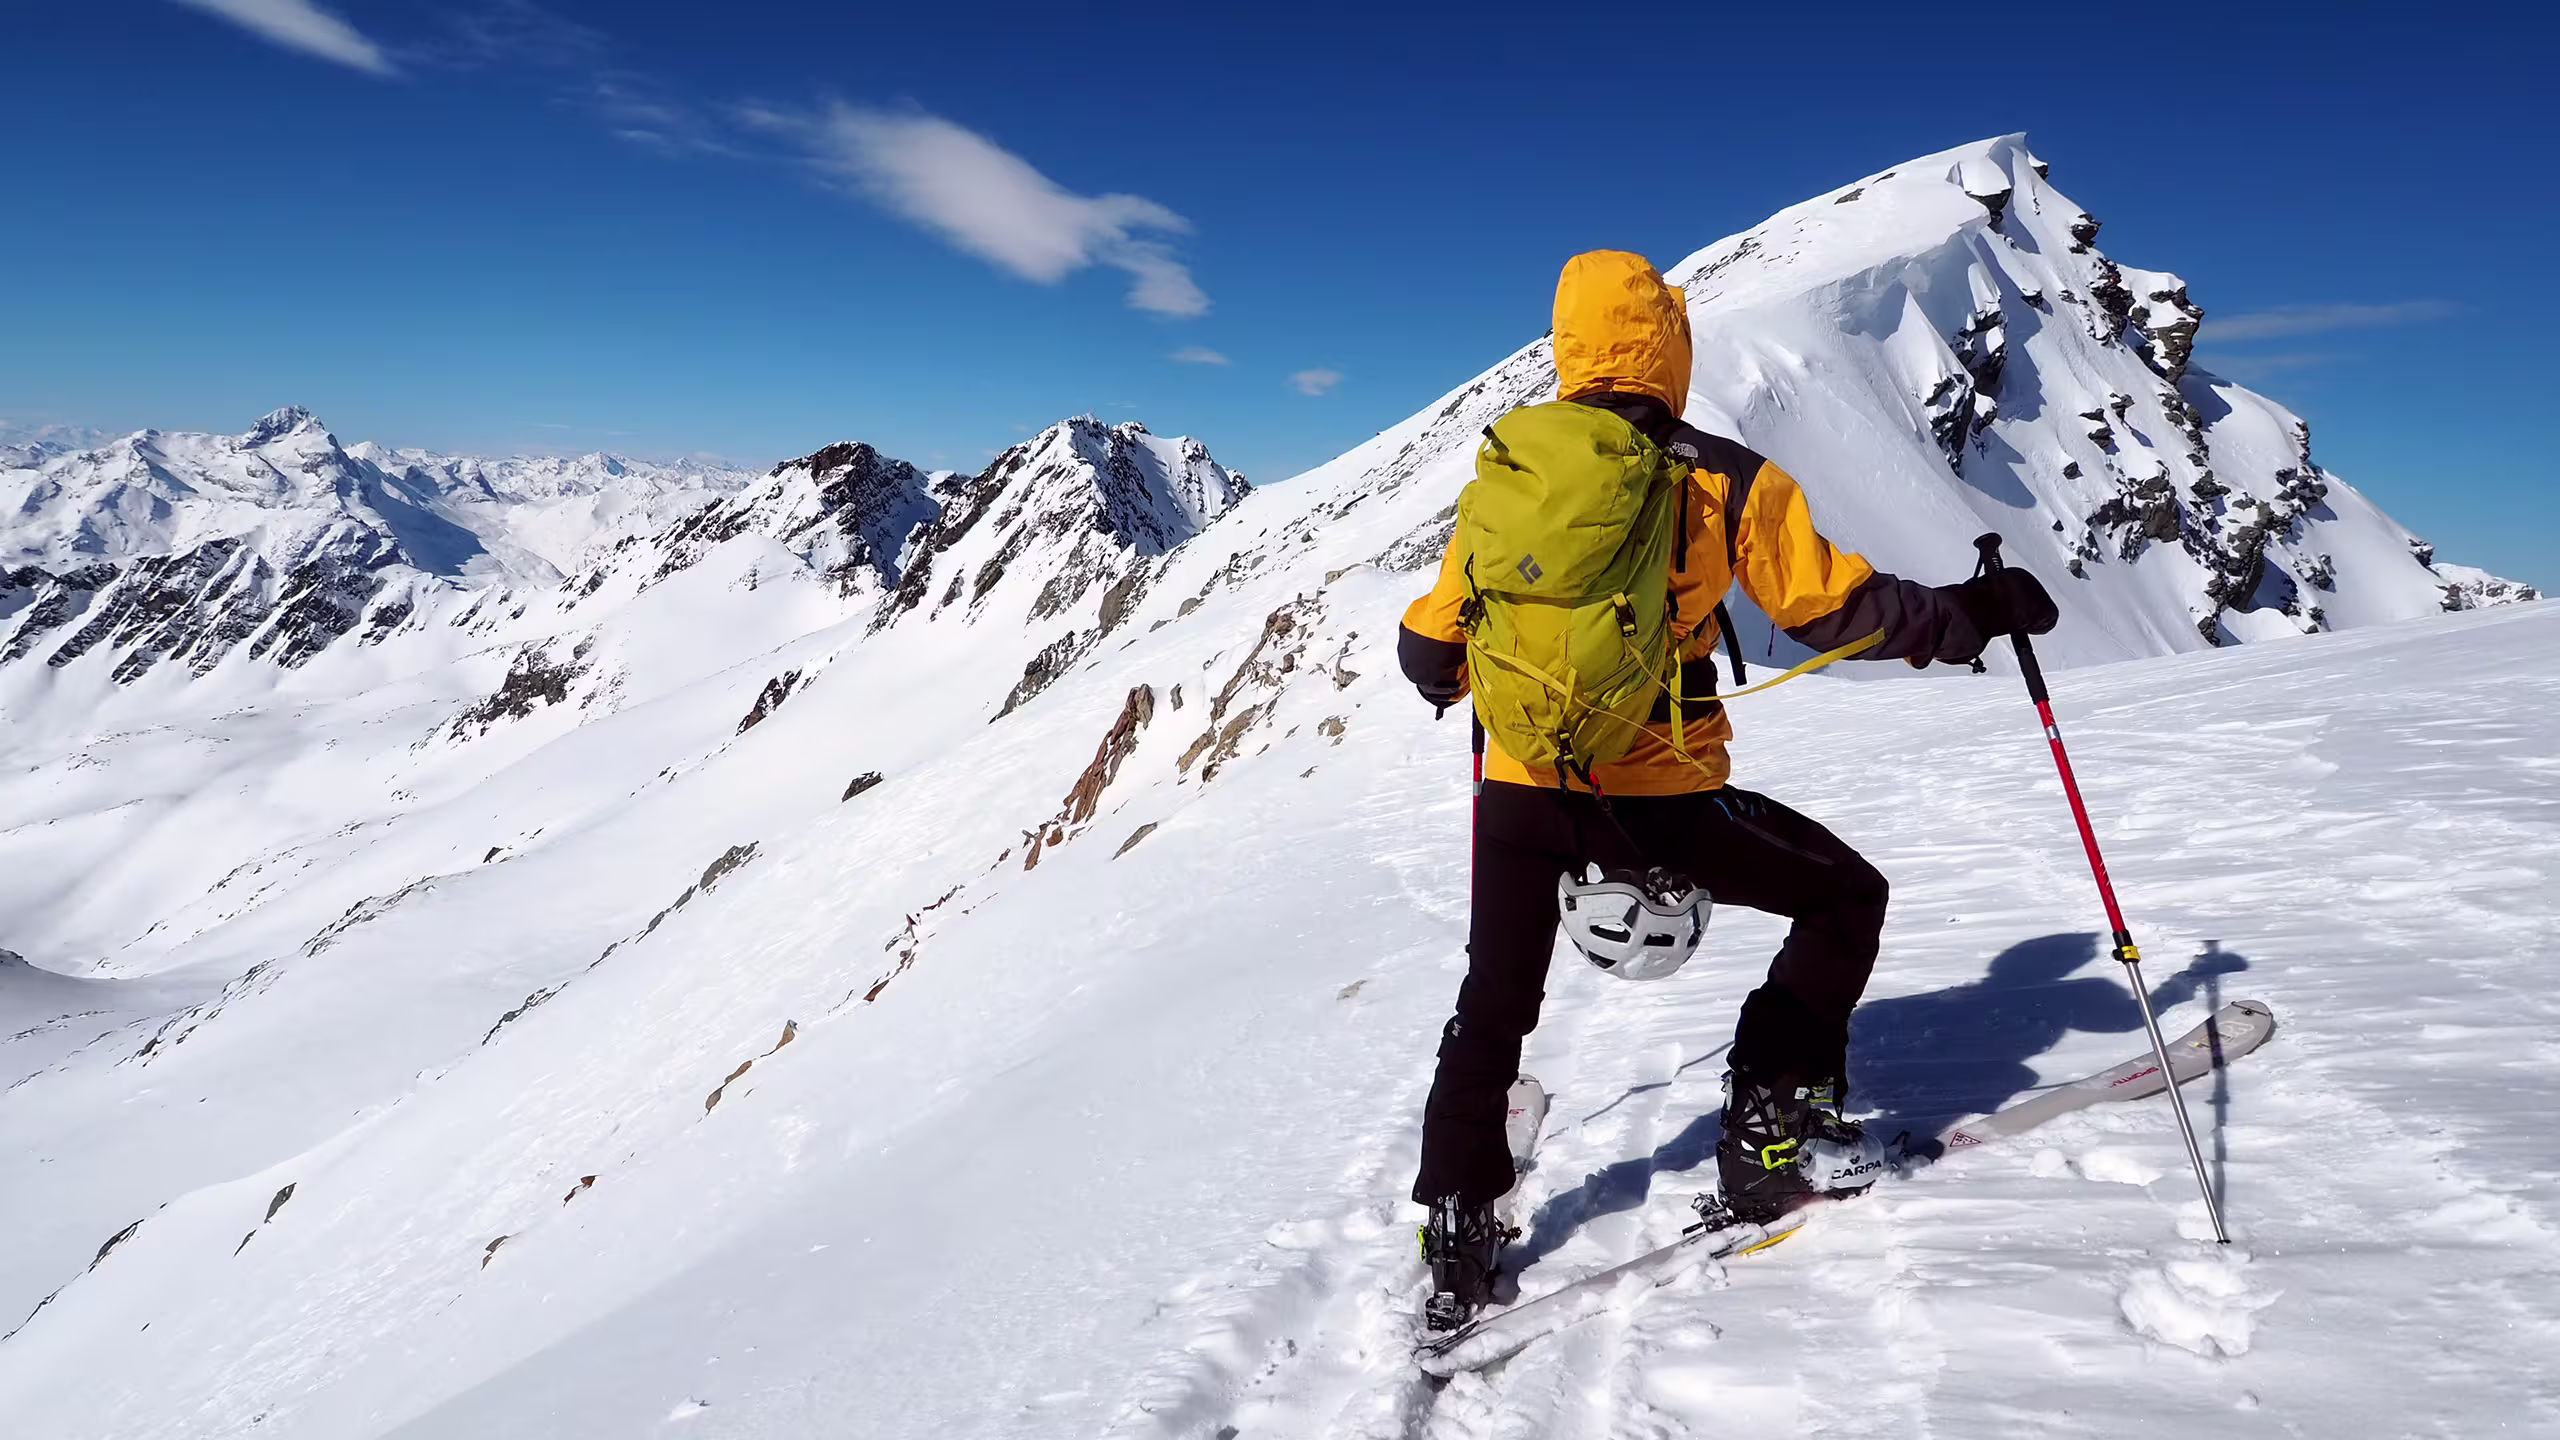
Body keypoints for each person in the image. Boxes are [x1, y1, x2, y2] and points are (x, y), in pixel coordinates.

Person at [1398, 250, 2056, 1326]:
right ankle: (1769, 1134)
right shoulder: (1720, 476)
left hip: (1520, 791)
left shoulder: (1507, 477)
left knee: (1496, 999)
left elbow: (1428, 653)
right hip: (1658, 794)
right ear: (1670, 346)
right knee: (1843, 897)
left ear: (1567, 345)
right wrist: (1973, 613)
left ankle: (1459, 1220)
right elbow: (1833, 610)